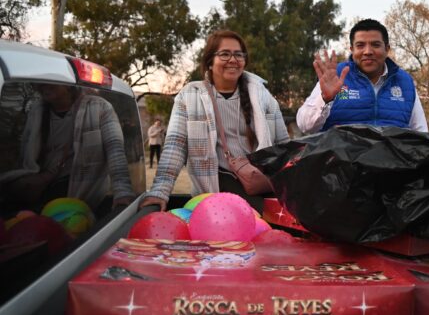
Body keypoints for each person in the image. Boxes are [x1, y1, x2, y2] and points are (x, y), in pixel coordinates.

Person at [140, 30, 289, 212]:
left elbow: (284, 146)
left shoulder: (263, 96)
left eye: (238, 54)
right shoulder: (190, 95)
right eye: (225, 54)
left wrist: (292, 186)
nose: (233, 60)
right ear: (210, 62)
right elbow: (175, 147)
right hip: (218, 189)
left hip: (262, 184)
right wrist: (159, 191)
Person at [1, 83, 135, 211]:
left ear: (68, 84)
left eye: (51, 82)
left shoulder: (99, 107)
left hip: (82, 199)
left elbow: (115, 149)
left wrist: (122, 191)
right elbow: (24, 151)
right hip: (38, 195)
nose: (44, 86)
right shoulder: (36, 110)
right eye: (40, 83)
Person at [296, 18, 428, 133]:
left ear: (387, 49)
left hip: (392, 162)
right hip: (340, 162)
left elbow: (421, 134)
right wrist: (325, 99)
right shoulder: (335, 76)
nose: (368, 51)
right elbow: (305, 126)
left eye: (375, 45)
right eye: (360, 45)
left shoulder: (405, 82)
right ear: (352, 50)